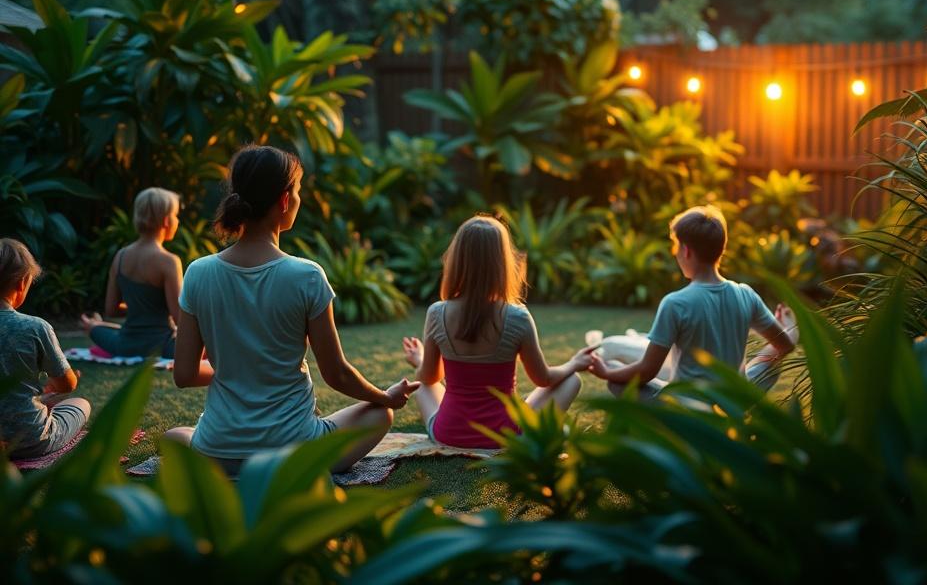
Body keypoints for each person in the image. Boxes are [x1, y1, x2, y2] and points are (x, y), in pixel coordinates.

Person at [164, 145, 418, 474]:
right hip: (295, 454)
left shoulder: (198, 272)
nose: (299, 199)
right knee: (379, 414)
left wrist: (235, 369)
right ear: (284, 200)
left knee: (174, 437)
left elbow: (184, 375)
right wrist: (385, 397)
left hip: (219, 452)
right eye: (298, 191)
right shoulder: (306, 276)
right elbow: (336, 373)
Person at [400, 215, 595, 449]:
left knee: (422, 385)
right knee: (571, 380)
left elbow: (429, 377)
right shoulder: (517, 317)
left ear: (456, 260)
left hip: (448, 434)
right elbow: (543, 378)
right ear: (503, 263)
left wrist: (420, 359)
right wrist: (574, 362)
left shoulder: (436, 313)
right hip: (507, 435)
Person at [587, 205, 796, 398]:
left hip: (690, 410)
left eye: (675, 246)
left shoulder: (675, 303)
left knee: (616, 377)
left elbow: (647, 371)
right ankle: (789, 329)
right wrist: (785, 332)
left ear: (686, 251)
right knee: (772, 357)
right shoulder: (746, 294)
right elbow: (784, 346)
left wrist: (606, 372)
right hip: (734, 402)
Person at [0, 239, 90, 458]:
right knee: (80, 404)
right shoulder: (35, 327)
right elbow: (67, 384)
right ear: (22, 283)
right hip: (30, 440)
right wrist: (53, 385)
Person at [79, 187, 182, 359]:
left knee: (95, 327)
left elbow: (111, 309)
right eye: (176, 216)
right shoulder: (169, 261)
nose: (177, 221)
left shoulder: (120, 257)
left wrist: (140, 309)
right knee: (210, 337)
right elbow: (180, 318)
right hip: (164, 347)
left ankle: (93, 326)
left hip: (125, 345)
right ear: (166, 221)